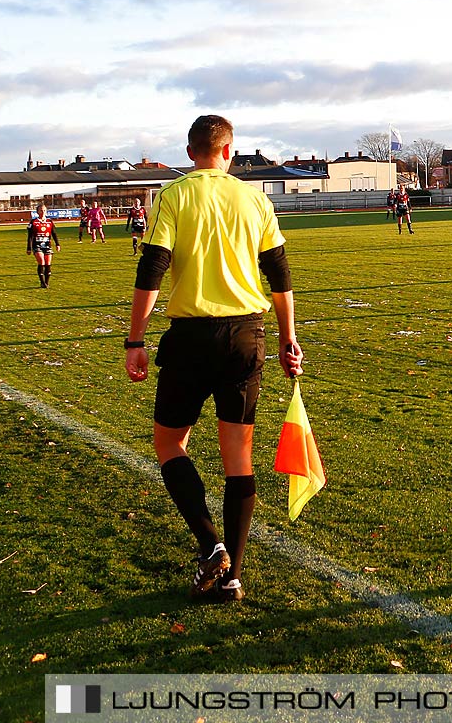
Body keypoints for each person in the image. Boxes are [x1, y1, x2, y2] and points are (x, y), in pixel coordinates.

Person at [126, 114, 302, 605]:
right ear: (229, 151)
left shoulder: (174, 195)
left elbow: (153, 266)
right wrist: (289, 340)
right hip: (247, 335)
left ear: (190, 153)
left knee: (169, 443)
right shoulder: (255, 198)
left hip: (191, 336)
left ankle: (211, 545)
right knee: (238, 457)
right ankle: (232, 577)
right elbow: (281, 277)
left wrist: (135, 338)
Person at [26, 204, 57, 288]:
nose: (43, 212)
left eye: (44, 210)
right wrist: (29, 248)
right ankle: (42, 282)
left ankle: (47, 282)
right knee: (42, 262)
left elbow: (54, 233)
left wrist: (57, 244)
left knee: (48, 264)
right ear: (37, 212)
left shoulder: (49, 221)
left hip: (47, 245)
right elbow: (30, 236)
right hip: (37, 245)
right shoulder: (33, 222)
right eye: (41, 210)